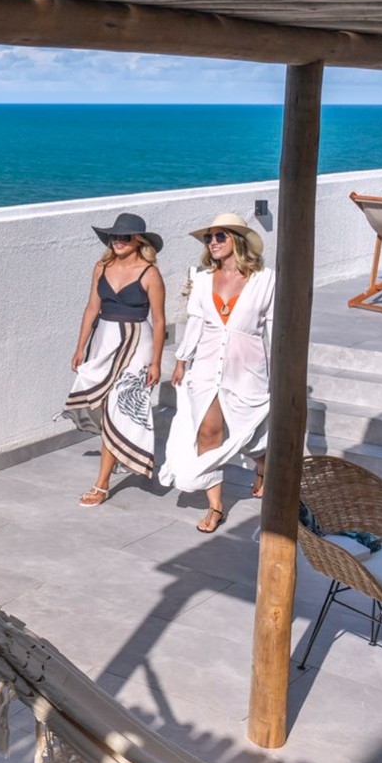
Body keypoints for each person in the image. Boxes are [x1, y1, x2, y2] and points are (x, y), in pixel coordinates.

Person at [162, 211, 275, 532]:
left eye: (219, 236)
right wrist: (182, 359)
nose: (212, 242)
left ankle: (262, 466)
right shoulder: (202, 279)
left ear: (237, 240)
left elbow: (273, 325)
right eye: (208, 237)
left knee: (250, 435)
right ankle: (216, 507)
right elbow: (196, 322)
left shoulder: (265, 279)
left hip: (249, 367)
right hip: (207, 366)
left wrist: (278, 369)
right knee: (208, 433)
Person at [66, 212, 168, 506]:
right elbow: (91, 308)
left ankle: (101, 484)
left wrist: (156, 362)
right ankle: (121, 452)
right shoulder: (101, 266)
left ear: (138, 241)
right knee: (99, 402)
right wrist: (80, 347)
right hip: (104, 341)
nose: (118, 241)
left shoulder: (150, 273)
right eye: (114, 236)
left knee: (118, 409)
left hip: (137, 345)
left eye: (125, 237)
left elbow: (159, 320)